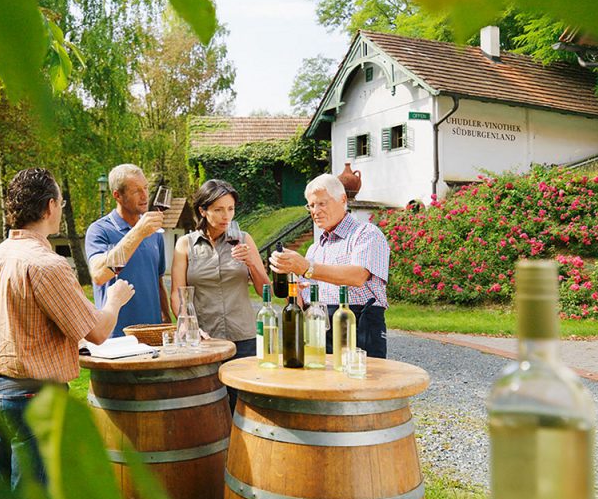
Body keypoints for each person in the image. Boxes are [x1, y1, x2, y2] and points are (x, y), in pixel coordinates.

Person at [0, 168, 133, 489]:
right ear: (50, 206)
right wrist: (115, 300)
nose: (60, 209)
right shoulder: (48, 265)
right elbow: (98, 332)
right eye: (60, 203)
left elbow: (20, 322)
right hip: (32, 400)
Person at [170, 179, 269, 410]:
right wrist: (186, 324)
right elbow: (177, 292)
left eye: (231, 209)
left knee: (245, 407)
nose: (227, 216)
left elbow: (266, 290)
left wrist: (252, 263)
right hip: (205, 340)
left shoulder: (244, 240)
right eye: (218, 209)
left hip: (243, 338)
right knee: (207, 407)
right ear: (203, 211)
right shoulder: (185, 245)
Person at [269, 173, 390, 359]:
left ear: (342, 200)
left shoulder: (365, 233)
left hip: (358, 325)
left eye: (321, 203)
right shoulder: (315, 248)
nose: (315, 211)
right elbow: (301, 305)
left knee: (360, 385)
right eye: (311, 205)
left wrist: (306, 267)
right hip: (317, 329)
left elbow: (357, 276)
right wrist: (288, 284)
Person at [85, 164, 170, 337]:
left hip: (152, 334)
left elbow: (158, 281)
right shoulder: (99, 230)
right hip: (116, 335)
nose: (145, 196)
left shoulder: (154, 233)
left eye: (146, 188)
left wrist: (166, 319)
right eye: (136, 191)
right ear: (118, 195)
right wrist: (138, 232)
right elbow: (99, 275)